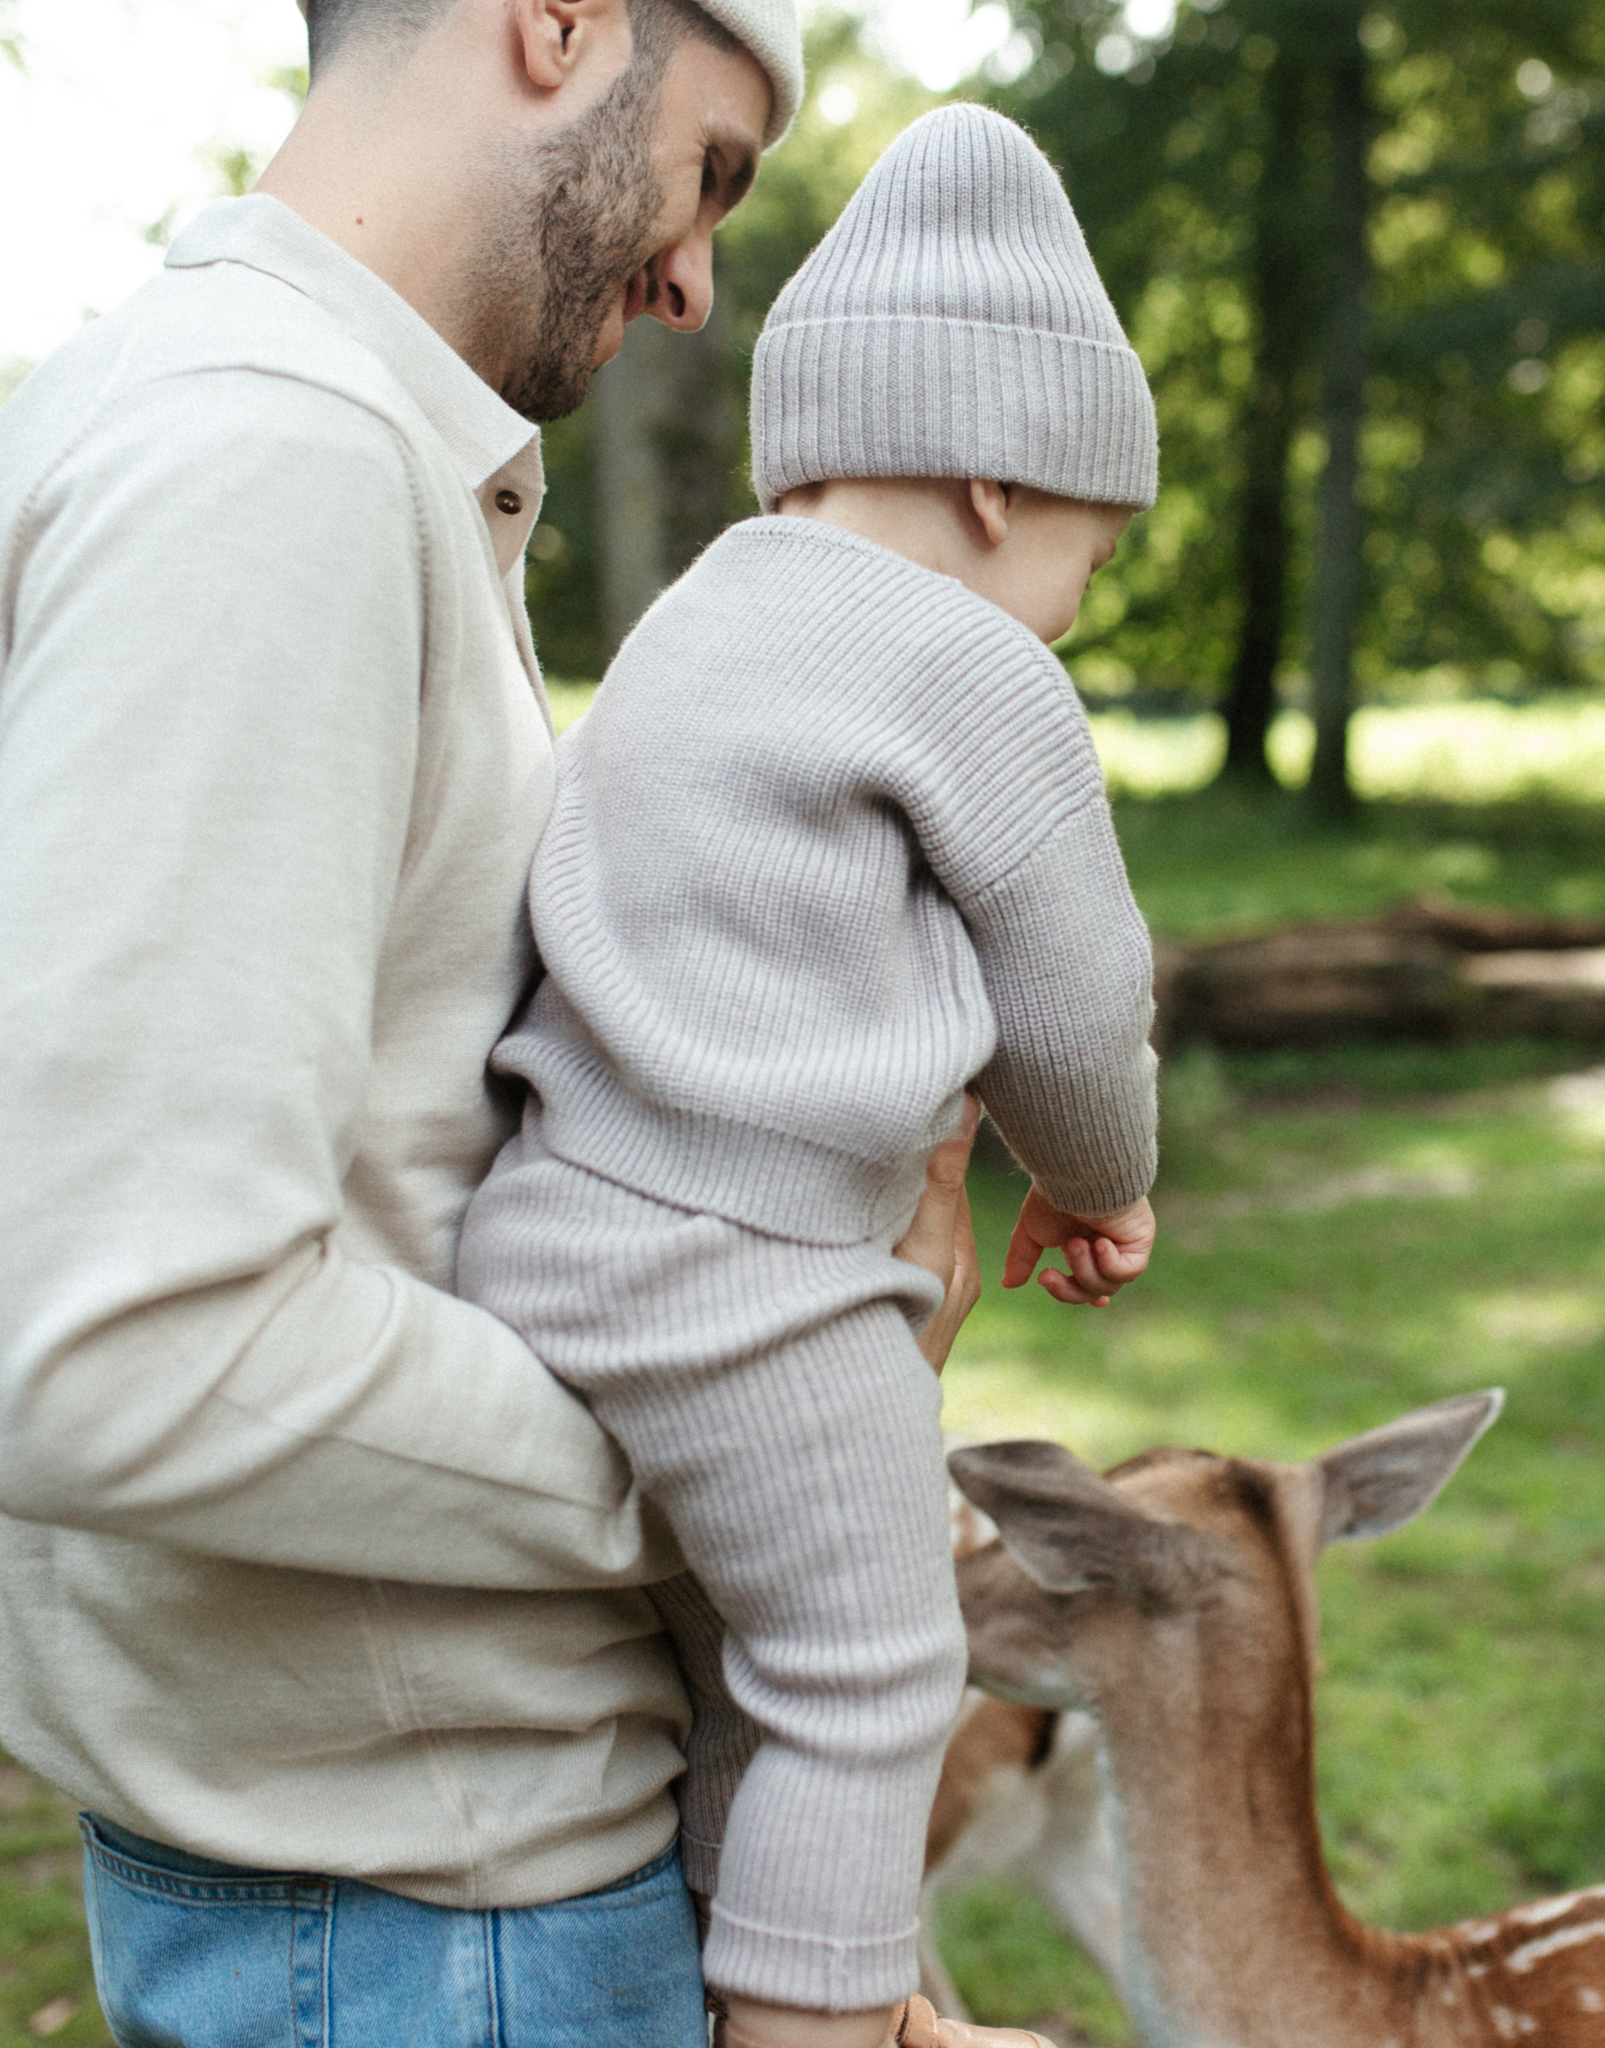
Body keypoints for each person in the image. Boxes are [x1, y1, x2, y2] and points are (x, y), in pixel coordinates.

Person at [0, 2, 976, 2041]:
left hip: (354, 1886)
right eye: (711, 166)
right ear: (558, 24)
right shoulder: (272, 461)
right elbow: (116, 1332)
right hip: (438, 1923)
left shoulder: (156, 411)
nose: (703, 275)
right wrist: (753, 1458)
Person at [457, 102, 1161, 2048]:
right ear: (1005, 484)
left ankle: (782, 1987)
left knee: (737, 1668)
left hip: (545, 1246)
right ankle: (834, 2032)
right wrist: (1099, 1176)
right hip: (758, 1288)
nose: (1076, 606)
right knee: (867, 1665)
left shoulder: (694, 618)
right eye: (1098, 552)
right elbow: (1079, 994)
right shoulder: (973, 664)